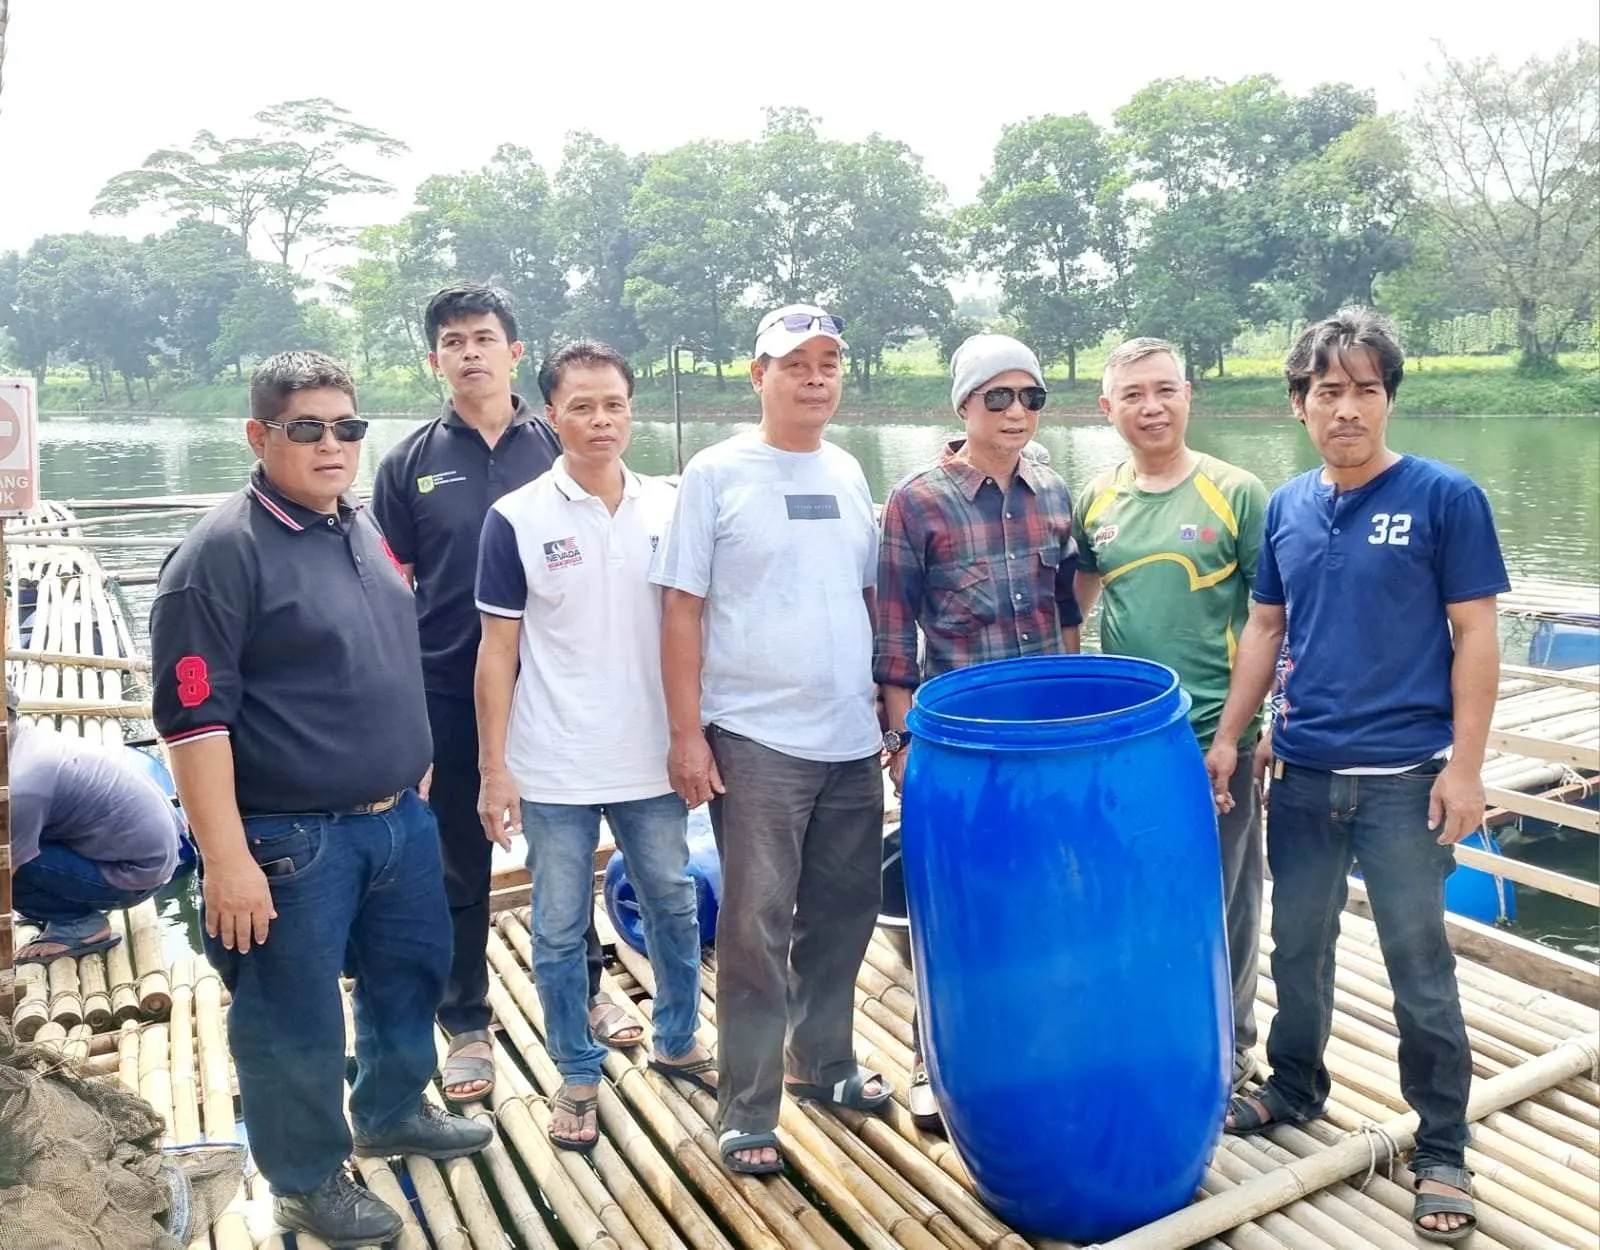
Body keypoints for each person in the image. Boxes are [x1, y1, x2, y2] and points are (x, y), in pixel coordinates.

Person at [150, 350, 491, 1247]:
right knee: (291, 1018)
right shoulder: (220, 555)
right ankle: (303, 1178)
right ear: (259, 436)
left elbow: (385, 652)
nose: (332, 444)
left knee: (409, 980)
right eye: (307, 429)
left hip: (396, 819)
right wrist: (225, 860)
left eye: (348, 426)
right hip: (289, 840)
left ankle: (390, 1109)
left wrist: (410, 766)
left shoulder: (361, 524)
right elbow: (192, 726)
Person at [1206, 309, 1505, 1242]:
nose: (1347, 409)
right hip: (1301, 774)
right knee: (1299, 948)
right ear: (1299, 405)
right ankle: (1295, 1084)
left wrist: (1466, 767)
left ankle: (1443, 1145)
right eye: (1327, 391)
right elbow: (1264, 629)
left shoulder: (1444, 497)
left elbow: (1477, 634)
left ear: (1387, 399)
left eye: (1365, 390)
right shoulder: (1291, 506)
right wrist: (1231, 736)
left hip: (1405, 782)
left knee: (1420, 965)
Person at [372, 284, 630, 1106]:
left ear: (516, 354)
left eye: (485, 337)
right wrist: (399, 717)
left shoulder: (555, 441)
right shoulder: (407, 465)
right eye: (454, 341)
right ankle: (468, 1022)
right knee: (458, 859)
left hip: (556, 685)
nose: (471, 352)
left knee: (567, 842)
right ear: (434, 359)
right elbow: (388, 594)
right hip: (448, 686)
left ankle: (588, 986)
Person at [653, 303, 890, 1175]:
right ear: (759, 376)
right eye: (795, 364)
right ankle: (747, 1108)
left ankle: (822, 1061)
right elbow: (680, 606)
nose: (815, 377)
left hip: (848, 734)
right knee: (755, 922)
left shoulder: (850, 470)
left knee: (845, 911)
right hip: (753, 735)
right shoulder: (716, 474)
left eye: (829, 362)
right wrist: (688, 735)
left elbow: (869, 599)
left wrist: (880, 708)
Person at [473, 340, 713, 1152]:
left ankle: (678, 1035)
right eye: (581, 405)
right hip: (553, 761)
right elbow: (496, 652)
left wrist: (700, 736)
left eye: (613, 403)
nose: (600, 419)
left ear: (630, 409)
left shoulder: (670, 506)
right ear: (551, 415)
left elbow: (700, 626)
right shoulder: (515, 519)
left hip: (654, 755)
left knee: (674, 902)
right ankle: (575, 1070)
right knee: (555, 923)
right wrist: (493, 768)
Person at [873, 332, 1082, 1131]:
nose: (1017, 412)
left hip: (1042, 745)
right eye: (999, 396)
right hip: (958, 743)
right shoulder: (918, 500)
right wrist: (901, 745)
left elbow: (1067, 615)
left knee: (1042, 894)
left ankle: (1036, 1044)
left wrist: (1072, 714)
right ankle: (936, 1060)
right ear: (963, 404)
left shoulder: (1055, 492)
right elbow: (892, 637)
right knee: (951, 903)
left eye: (1031, 397)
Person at [1072, 336, 1269, 1092]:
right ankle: (1151, 1028)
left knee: (1224, 897)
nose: (1150, 407)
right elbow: (1078, 610)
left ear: (1189, 395)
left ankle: (1230, 1045)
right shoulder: (1098, 500)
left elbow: (1276, 620)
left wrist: (1245, 732)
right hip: (1130, 744)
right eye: (1132, 395)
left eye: (1164, 391)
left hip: (1217, 738)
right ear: (1107, 408)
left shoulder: (1237, 491)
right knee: (1136, 888)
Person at [7, 685, 182, 964]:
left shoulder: (22, 784)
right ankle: (60, 902)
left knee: (11, 877)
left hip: (135, 874)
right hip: (145, 848)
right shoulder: (24, 738)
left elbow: (6, 869)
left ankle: (79, 924)